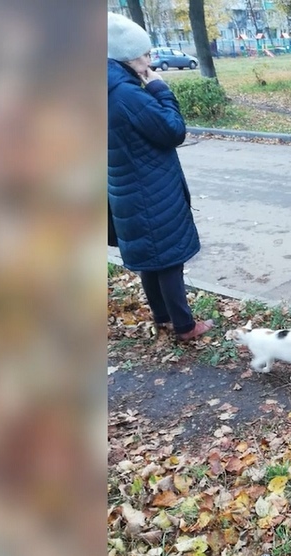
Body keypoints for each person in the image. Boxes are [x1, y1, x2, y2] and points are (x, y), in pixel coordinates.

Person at [107, 12, 213, 341]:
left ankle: (164, 317)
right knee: (167, 260)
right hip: (150, 190)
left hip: (126, 189)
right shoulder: (127, 95)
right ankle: (184, 326)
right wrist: (161, 90)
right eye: (145, 54)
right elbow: (173, 131)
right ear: (126, 54)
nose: (150, 60)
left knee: (150, 261)